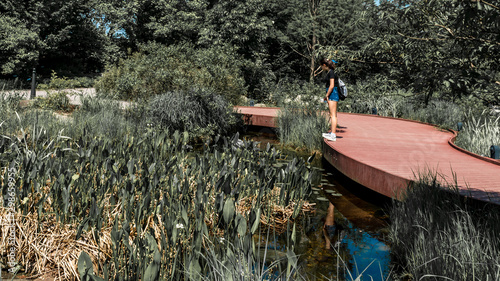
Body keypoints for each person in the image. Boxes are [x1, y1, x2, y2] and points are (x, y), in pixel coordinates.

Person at [320, 58, 339, 141]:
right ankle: (332, 133)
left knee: (333, 115)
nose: (321, 67)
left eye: (321, 66)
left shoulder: (331, 72)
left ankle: (333, 135)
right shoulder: (330, 72)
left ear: (324, 65)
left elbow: (331, 85)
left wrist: (327, 95)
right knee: (331, 114)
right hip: (331, 93)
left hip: (333, 93)